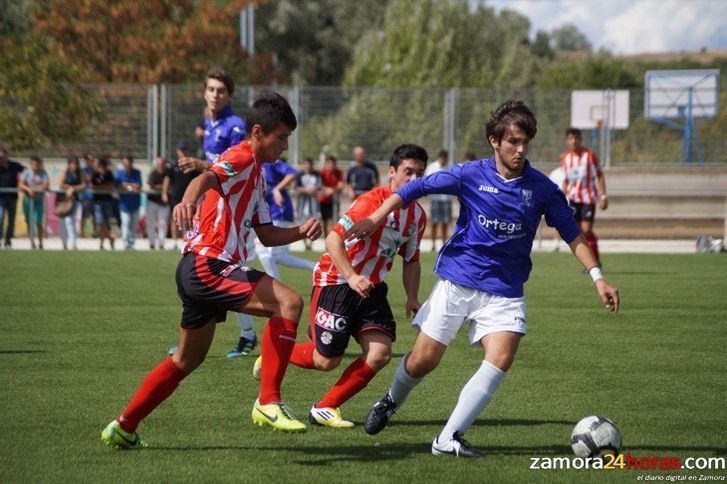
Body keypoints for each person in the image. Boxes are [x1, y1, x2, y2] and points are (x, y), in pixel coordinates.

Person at [347, 100, 620, 458]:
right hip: (458, 280)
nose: (521, 150)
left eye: (526, 143)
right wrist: (377, 217)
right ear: (495, 140)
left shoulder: (541, 188)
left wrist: (598, 277)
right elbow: (413, 189)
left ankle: (448, 439)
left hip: (504, 291)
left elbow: (571, 232)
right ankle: (391, 400)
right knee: (422, 361)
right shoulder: (469, 174)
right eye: (513, 142)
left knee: (501, 357)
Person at [101, 91, 322, 449]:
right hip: (208, 264)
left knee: (186, 360)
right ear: (258, 132)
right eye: (281, 137)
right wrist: (187, 200)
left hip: (200, 269)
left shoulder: (259, 176)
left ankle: (123, 426)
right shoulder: (241, 156)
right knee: (289, 303)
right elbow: (206, 179)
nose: (284, 146)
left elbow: (265, 234)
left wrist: (301, 230)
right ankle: (268, 401)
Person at [253, 144, 428, 429]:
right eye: (408, 172)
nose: (414, 179)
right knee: (326, 361)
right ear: (392, 173)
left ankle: (326, 407)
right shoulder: (370, 202)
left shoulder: (418, 217)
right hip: (336, 280)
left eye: (419, 174)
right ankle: (273, 354)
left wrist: (412, 296)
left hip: (370, 288)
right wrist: (350, 276)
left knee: (380, 353)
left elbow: (411, 259)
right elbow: (333, 239)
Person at [173, 67, 256, 359]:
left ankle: (248, 336)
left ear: (229, 95)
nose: (215, 94)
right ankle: (194, 339)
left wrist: (200, 164)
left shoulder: (234, 126)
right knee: (199, 268)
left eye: (220, 90)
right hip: (215, 208)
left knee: (225, 272)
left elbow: (235, 169)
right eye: (210, 89)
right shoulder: (211, 123)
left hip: (234, 211)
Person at [257, 158, 317, 280]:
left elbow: (292, 173)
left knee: (263, 252)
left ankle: (276, 289)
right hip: (270, 211)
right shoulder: (253, 162)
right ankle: (316, 267)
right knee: (278, 256)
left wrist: (277, 189)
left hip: (278, 210)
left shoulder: (271, 161)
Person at [560, 127, 608, 267]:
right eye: (571, 138)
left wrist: (603, 196)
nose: (574, 141)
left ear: (581, 139)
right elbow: (566, 179)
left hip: (588, 198)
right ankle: (593, 262)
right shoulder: (565, 158)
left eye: (576, 138)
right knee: (578, 233)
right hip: (573, 199)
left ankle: (594, 262)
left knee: (586, 230)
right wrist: (561, 198)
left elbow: (599, 175)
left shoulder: (590, 156)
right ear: (567, 140)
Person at [168, 143, 199, 251]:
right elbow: (168, 179)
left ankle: (186, 240)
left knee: (188, 218)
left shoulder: (192, 164)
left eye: (185, 149)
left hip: (189, 197)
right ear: (177, 151)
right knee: (174, 219)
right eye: (181, 150)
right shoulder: (173, 165)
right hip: (176, 196)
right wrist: (164, 192)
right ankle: (174, 241)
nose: (183, 152)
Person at [424, 149, 452, 252]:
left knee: (445, 222)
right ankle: (433, 244)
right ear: (440, 158)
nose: (445, 161)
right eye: (444, 159)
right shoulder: (432, 167)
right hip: (435, 199)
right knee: (434, 222)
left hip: (446, 199)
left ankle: (444, 242)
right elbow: (428, 180)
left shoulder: (450, 167)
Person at [18, 156, 49, 250]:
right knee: (29, 221)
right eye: (34, 164)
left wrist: (36, 189)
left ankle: (40, 243)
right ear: (31, 164)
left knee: (39, 222)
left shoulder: (43, 173)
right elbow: (21, 184)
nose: (36, 166)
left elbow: (46, 185)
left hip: (39, 200)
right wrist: (28, 189)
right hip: (28, 199)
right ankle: (32, 242)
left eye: (38, 164)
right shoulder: (26, 172)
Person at [58, 156, 85, 250]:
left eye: (76, 163)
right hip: (64, 201)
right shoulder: (65, 172)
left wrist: (73, 188)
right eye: (72, 163)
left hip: (75, 200)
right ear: (69, 164)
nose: (74, 165)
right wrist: (68, 187)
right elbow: (60, 184)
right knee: (63, 222)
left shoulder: (80, 172)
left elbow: (83, 185)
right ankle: (64, 243)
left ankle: (73, 243)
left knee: (71, 221)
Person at [115, 155, 142, 250]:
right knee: (125, 223)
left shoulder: (137, 172)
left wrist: (126, 185)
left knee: (133, 225)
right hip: (124, 204)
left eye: (128, 163)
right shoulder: (119, 173)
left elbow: (138, 186)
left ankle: (131, 244)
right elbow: (118, 185)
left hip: (135, 203)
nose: (126, 166)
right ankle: (126, 243)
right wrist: (130, 187)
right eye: (124, 164)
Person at [0, 146, 24, 249]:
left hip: (12, 197)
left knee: (11, 220)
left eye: (2, 156)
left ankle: (8, 241)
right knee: (0, 218)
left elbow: (26, 172)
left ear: (6, 155)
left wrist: (23, 183)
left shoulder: (15, 165)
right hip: (0, 198)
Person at [295, 157, 322, 249]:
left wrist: (313, 189)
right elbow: (297, 187)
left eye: (309, 164)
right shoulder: (299, 175)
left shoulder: (317, 174)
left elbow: (319, 185)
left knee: (314, 221)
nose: (308, 166)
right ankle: (305, 243)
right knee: (301, 222)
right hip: (302, 200)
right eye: (306, 164)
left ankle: (311, 243)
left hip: (313, 201)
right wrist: (306, 190)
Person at [146, 156, 171, 250]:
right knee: (151, 223)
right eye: (159, 164)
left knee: (163, 223)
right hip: (152, 201)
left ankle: (161, 244)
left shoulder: (169, 173)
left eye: (162, 164)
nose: (161, 166)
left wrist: (161, 187)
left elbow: (172, 185)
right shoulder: (153, 173)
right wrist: (164, 187)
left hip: (164, 203)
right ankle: (152, 244)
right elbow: (151, 185)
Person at [91, 157, 116, 250]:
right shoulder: (95, 175)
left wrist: (100, 187)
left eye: (104, 167)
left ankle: (101, 244)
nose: (102, 169)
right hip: (97, 201)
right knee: (100, 222)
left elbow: (111, 186)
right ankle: (110, 237)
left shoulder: (109, 174)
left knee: (105, 222)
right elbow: (93, 187)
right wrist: (104, 187)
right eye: (100, 167)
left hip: (107, 201)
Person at [318, 155, 344, 236]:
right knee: (324, 221)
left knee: (334, 221)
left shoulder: (339, 173)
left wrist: (332, 190)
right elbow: (319, 185)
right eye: (329, 163)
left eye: (333, 164)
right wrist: (326, 189)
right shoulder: (323, 172)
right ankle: (326, 239)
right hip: (324, 200)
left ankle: (332, 238)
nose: (331, 165)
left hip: (334, 201)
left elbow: (341, 185)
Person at [79, 153, 97, 238]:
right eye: (90, 160)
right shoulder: (83, 170)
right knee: (84, 215)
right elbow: (85, 180)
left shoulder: (96, 170)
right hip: (86, 196)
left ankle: (95, 232)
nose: (92, 162)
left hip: (95, 196)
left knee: (95, 215)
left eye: (93, 160)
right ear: (86, 161)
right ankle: (81, 232)